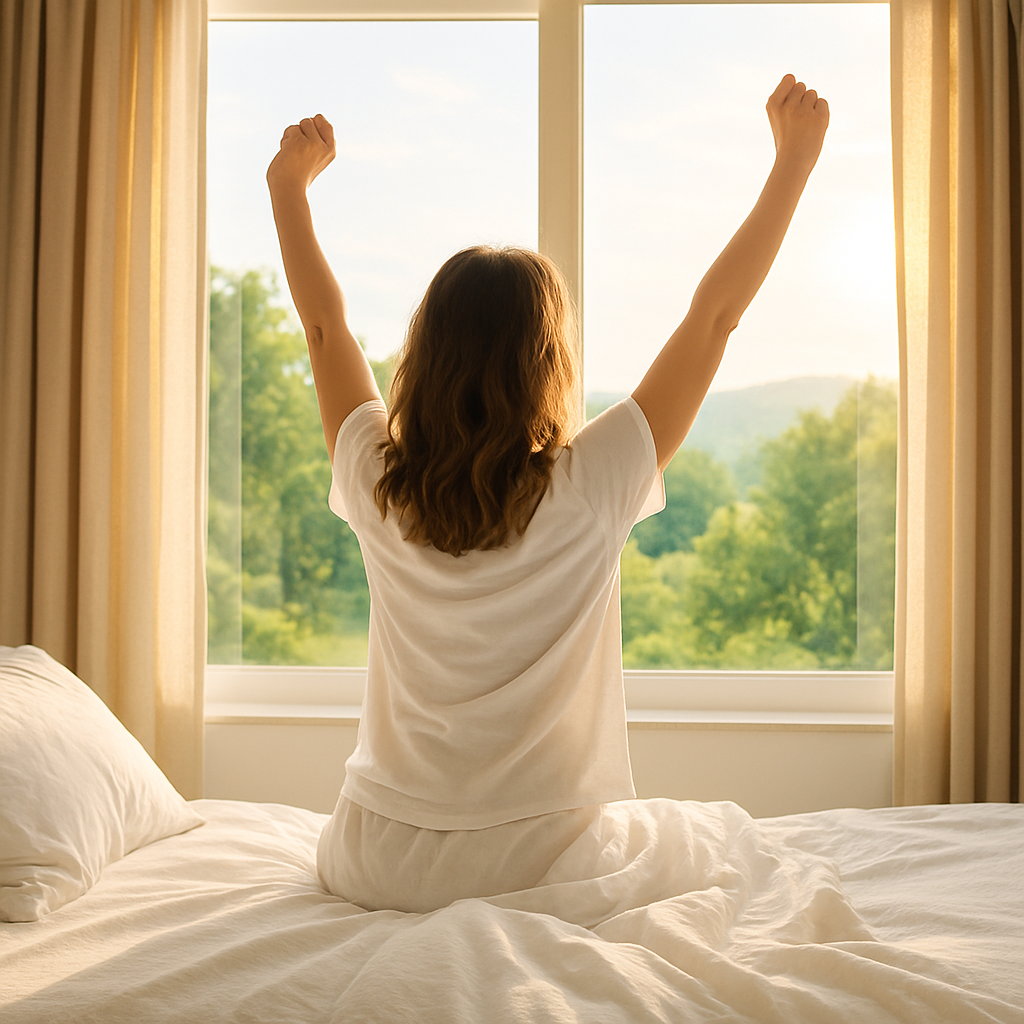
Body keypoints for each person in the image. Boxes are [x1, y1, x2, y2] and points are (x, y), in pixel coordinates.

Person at [266, 75, 829, 914]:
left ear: (427, 353)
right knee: (729, 856)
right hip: (537, 865)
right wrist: (793, 167)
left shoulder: (376, 477)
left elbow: (322, 329)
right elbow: (713, 320)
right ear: (545, 366)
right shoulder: (592, 485)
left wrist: (286, 191)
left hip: (374, 856)